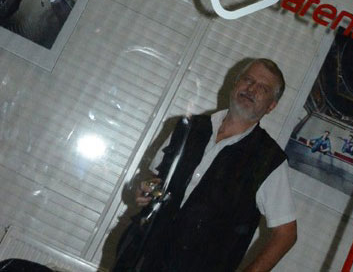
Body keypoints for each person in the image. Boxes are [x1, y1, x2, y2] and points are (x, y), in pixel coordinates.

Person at [117, 59, 296, 272]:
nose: (251, 89)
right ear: (236, 83)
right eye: (248, 80)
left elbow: (286, 234)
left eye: (263, 88)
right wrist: (144, 185)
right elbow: (153, 177)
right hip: (138, 256)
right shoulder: (188, 127)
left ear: (271, 106)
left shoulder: (269, 159)